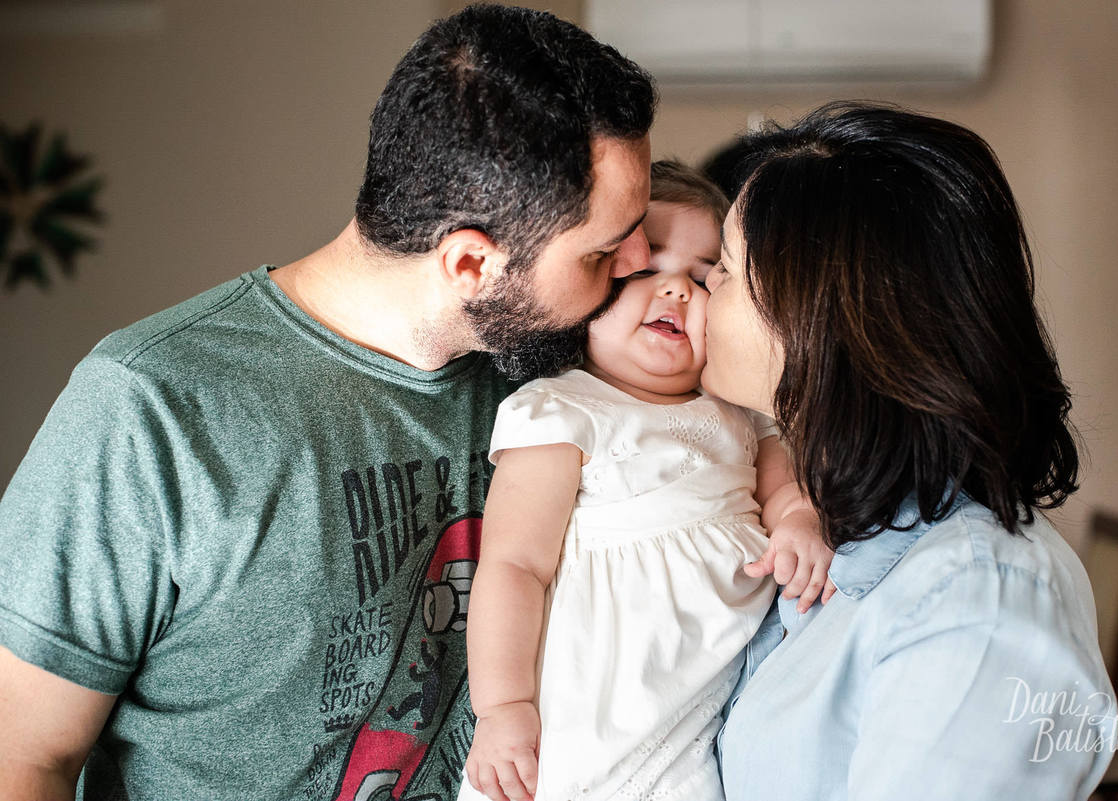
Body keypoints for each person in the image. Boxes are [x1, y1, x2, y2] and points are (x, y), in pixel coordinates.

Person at [0, 6, 657, 800]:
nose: (639, 262)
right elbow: (23, 757)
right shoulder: (149, 408)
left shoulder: (554, 383)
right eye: (602, 249)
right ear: (470, 262)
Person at [702, 102, 1118, 800]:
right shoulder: (825, 537)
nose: (696, 288)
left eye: (722, 267)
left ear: (816, 320)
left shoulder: (978, 604)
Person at [458, 161, 834, 801]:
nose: (678, 291)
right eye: (648, 267)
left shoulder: (741, 413)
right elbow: (513, 566)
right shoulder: (562, 412)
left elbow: (784, 491)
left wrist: (799, 520)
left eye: (703, 277)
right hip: (577, 722)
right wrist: (502, 707)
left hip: (688, 728)